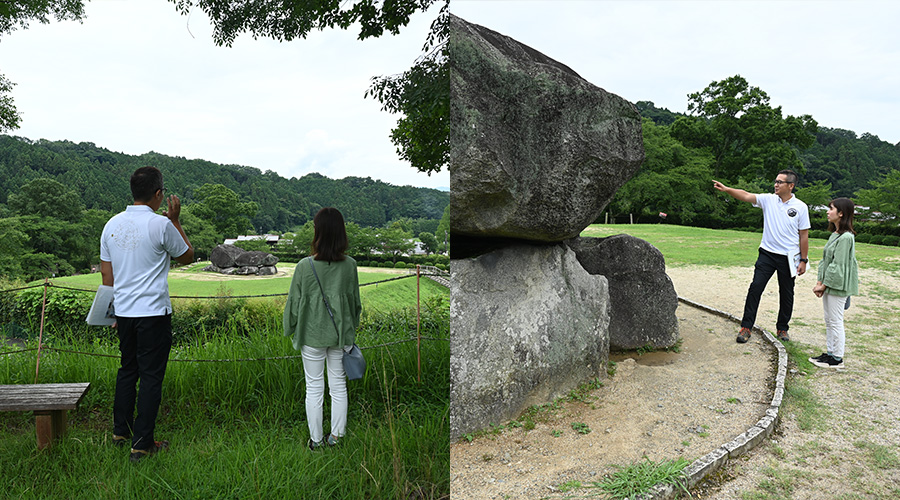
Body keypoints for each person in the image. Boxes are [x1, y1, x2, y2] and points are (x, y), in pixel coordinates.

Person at [100, 166, 193, 462]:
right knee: (151, 376)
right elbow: (187, 256)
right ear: (158, 194)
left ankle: (120, 432)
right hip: (153, 311)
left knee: (128, 370)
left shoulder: (110, 224)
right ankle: (142, 445)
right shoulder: (161, 225)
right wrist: (176, 221)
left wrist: (112, 312)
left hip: (123, 313)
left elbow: (107, 276)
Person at [283, 207, 362, 450]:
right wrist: (352, 328)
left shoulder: (304, 266)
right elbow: (355, 304)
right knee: (338, 387)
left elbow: (294, 304)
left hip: (311, 335)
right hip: (340, 337)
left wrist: (289, 328)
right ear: (342, 234)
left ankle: (316, 440)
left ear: (317, 232)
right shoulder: (350, 266)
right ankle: (336, 438)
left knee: (314, 388)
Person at [713, 170, 810, 343]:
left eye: (780, 182)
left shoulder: (801, 207)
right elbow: (745, 195)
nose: (776, 184)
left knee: (787, 293)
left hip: (788, 257)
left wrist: (803, 260)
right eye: (776, 181)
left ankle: (782, 329)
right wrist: (727, 189)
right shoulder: (768, 199)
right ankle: (746, 327)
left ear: (791, 185)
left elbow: (803, 235)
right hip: (767, 254)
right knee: (755, 288)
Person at [809, 198, 859, 368]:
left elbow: (838, 265)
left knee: (836, 320)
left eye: (831, 209)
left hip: (838, 285)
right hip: (829, 283)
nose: (827, 211)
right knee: (829, 319)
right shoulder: (835, 235)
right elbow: (825, 261)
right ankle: (830, 353)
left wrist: (822, 285)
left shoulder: (846, 238)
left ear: (841, 213)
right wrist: (820, 282)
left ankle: (837, 358)